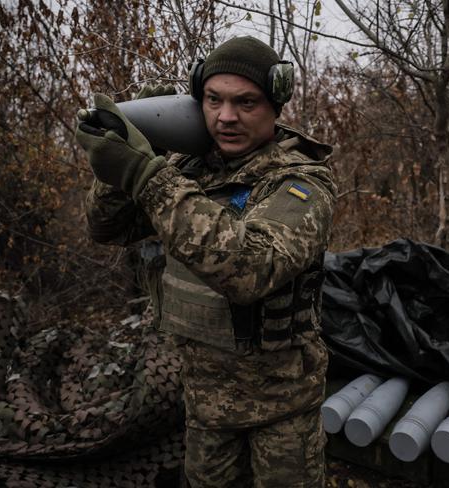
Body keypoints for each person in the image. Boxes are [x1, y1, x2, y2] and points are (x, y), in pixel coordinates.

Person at [75, 36, 336, 487]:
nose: (226, 117)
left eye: (246, 102)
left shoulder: (300, 182)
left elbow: (251, 270)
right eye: (213, 100)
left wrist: (147, 176)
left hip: (281, 410)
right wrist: (130, 157)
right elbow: (107, 229)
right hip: (204, 403)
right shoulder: (189, 167)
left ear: (275, 105)